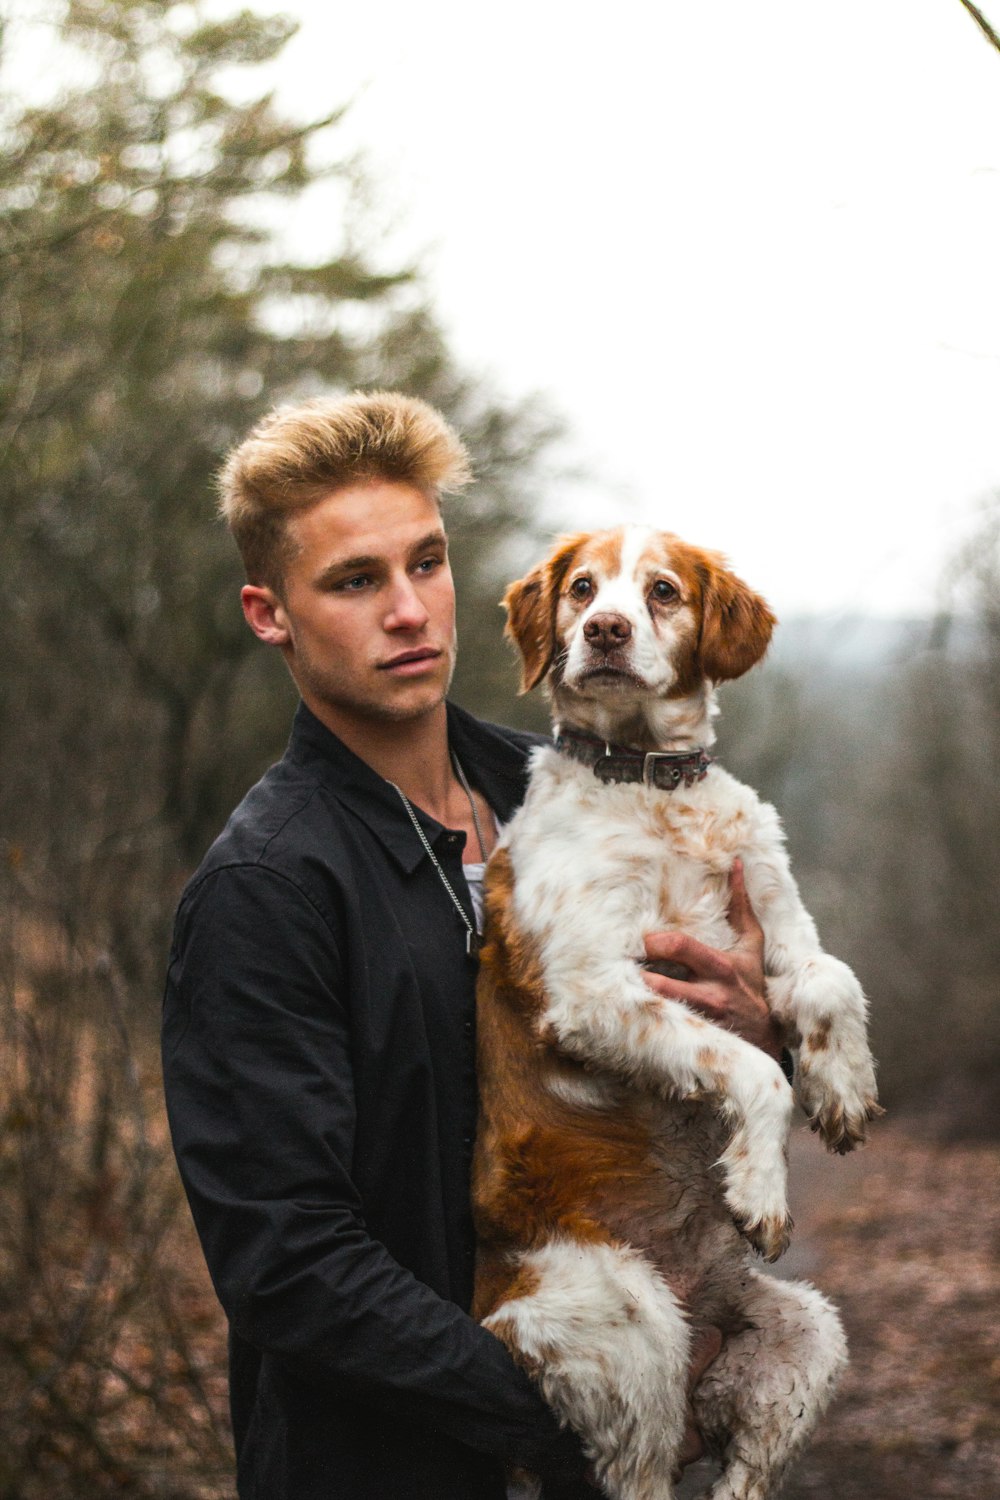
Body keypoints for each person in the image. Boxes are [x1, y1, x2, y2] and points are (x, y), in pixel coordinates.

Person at [161, 391, 785, 1500]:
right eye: (355, 581)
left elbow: (686, 1038)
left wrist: (760, 1028)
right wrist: (554, 1417)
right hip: (387, 1470)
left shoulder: (572, 789)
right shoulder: (265, 892)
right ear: (269, 614)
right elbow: (289, 1269)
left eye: (426, 562)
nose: (409, 610)